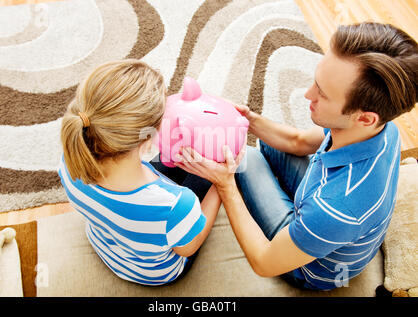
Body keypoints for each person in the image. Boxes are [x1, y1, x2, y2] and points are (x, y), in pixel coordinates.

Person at [175, 22, 418, 290]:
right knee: (269, 145)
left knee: (246, 159)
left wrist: (225, 185)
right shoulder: (383, 129)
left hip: (309, 267)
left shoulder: (337, 209)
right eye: (316, 82)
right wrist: (250, 120)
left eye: (322, 94)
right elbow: (298, 142)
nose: (307, 94)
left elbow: (264, 262)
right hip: (324, 215)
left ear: (364, 118)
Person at [58, 59, 221, 286]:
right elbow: (188, 248)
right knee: (209, 170)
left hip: (103, 242)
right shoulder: (177, 205)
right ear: (147, 140)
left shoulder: (71, 159)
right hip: (154, 273)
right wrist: (221, 185)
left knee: (181, 161)